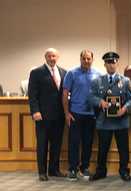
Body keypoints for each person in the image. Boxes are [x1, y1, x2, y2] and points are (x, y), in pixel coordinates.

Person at [89, 52, 131, 182]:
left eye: (113, 62)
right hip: (104, 121)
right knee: (102, 149)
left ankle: (124, 170)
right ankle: (101, 171)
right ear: (105, 64)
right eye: (109, 62)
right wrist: (100, 102)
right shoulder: (97, 81)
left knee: (123, 149)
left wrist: (125, 108)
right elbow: (90, 97)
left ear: (117, 63)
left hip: (121, 120)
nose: (111, 65)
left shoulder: (125, 81)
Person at [28, 48, 66, 181]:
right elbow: (32, 95)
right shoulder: (36, 73)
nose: (52, 58)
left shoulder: (63, 72)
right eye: (49, 56)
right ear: (45, 57)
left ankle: (54, 170)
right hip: (42, 116)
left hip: (59, 116)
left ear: (58, 57)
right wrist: (35, 111)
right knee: (42, 145)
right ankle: (42, 172)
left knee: (56, 144)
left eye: (54, 56)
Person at [62, 50, 100, 181]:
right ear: (80, 59)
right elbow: (65, 94)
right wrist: (67, 113)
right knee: (74, 142)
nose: (86, 61)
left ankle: (84, 168)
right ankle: (72, 169)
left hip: (91, 114)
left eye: (89, 59)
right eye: (84, 58)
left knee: (88, 143)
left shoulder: (98, 74)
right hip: (75, 114)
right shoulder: (71, 73)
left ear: (92, 59)